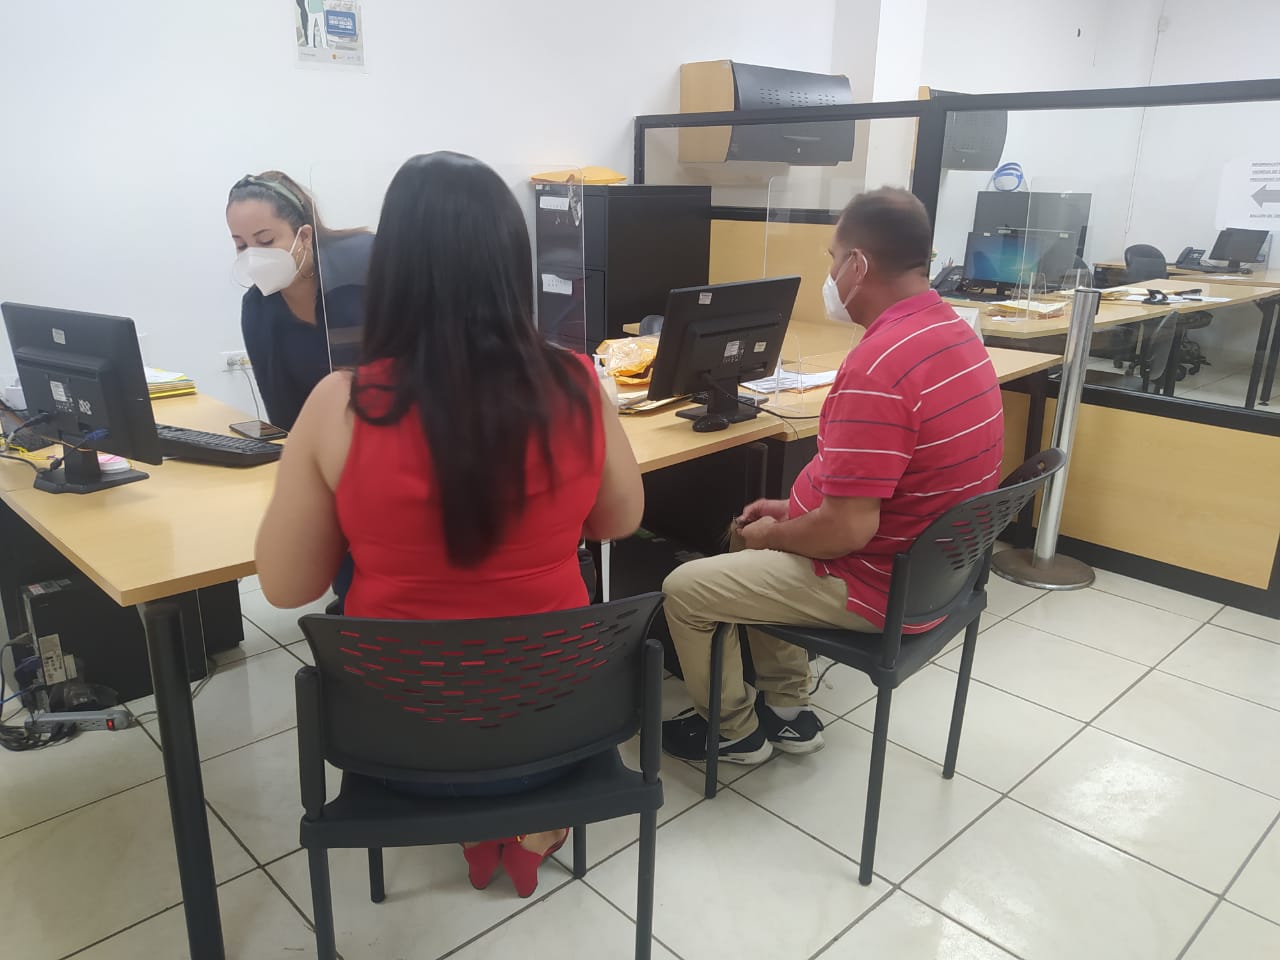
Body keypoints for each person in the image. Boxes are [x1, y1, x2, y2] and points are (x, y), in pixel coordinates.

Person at [253, 151, 644, 898]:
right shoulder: (576, 382)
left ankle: (476, 825)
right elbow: (620, 519)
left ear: (393, 270)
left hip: (401, 747)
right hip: (560, 730)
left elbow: (285, 586)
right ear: (513, 265)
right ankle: (531, 827)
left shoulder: (339, 404)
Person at [661, 187, 1004, 766]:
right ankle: (788, 710)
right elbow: (875, 488)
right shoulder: (954, 333)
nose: (830, 272)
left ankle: (732, 730)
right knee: (753, 536)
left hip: (878, 583)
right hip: (938, 574)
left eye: (832, 257)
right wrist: (791, 513)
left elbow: (846, 531)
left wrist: (780, 532)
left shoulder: (878, 366)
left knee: (686, 588)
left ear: (858, 265)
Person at [226, 171, 373, 433]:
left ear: (304, 236)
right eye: (242, 246)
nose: (253, 258)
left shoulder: (365, 264)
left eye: (265, 241)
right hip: (326, 443)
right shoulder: (257, 309)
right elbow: (284, 416)